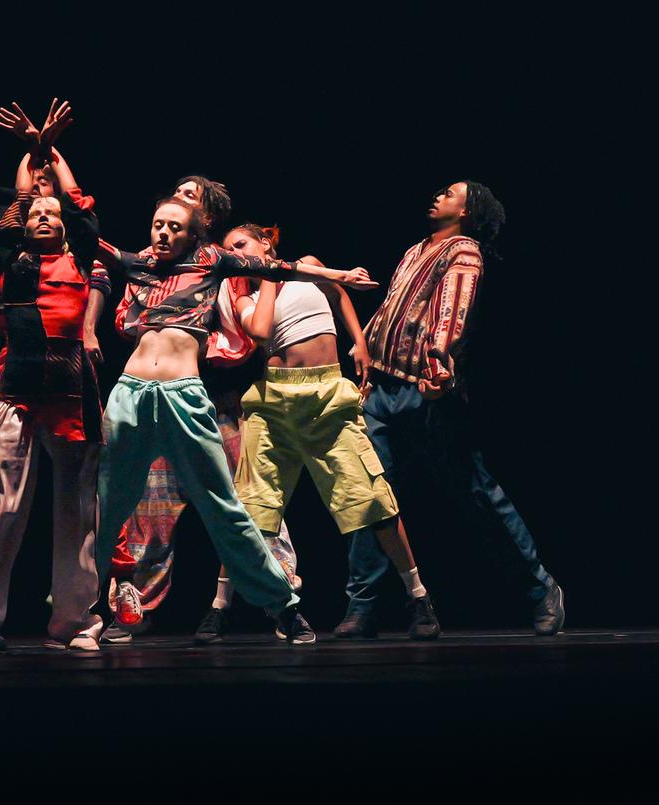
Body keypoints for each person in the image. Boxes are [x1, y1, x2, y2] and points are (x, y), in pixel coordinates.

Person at [95, 198, 379, 643]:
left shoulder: (213, 262)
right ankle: (81, 609)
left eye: (175, 225)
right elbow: (85, 237)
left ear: (196, 232)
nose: (164, 232)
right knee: (108, 505)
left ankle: (282, 605)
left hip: (190, 396)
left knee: (227, 508)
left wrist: (339, 276)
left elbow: (278, 268)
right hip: (130, 393)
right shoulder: (141, 265)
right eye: (158, 224)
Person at [336, 181, 565, 638]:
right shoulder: (415, 250)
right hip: (381, 388)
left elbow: (452, 309)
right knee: (371, 499)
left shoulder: (463, 250)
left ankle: (541, 588)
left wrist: (439, 361)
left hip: (425, 391)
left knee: (476, 492)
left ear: (467, 211)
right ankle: (363, 607)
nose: (438, 195)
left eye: (450, 193)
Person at [198, 223, 440, 642]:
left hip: (326, 397)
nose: (237, 254)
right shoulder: (246, 297)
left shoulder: (307, 267)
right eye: (231, 251)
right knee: (252, 509)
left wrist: (359, 341)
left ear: (265, 243)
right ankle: (219, 607)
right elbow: (261, 332)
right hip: (273, 405)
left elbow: (338, 293)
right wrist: (268, 275)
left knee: (372, 500)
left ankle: (418, 598)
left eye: (241, 245)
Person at [102, 177, 302, 645]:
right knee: (146, 514)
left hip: (214, 400)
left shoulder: (224, 268)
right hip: (150, 392)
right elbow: (126, 321)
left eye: (189, 198)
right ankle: (132, 608)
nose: (178, 202)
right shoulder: (152, 263)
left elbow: (251, 332)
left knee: (240, 508)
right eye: (174, 196)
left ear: (203, 220)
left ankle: (281, 601)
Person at [0, 141, 106, 651]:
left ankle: (74, 621)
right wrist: (33, 149)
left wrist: (52, 153)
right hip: (18, 385)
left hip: (72, 390)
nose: (44, 216)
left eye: (52, 214)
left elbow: (81, 208)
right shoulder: (11, 255)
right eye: (36, 214)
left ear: (65, 226)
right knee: (4, 507)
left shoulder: (81, 255)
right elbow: (17, 203)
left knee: (77, 512)